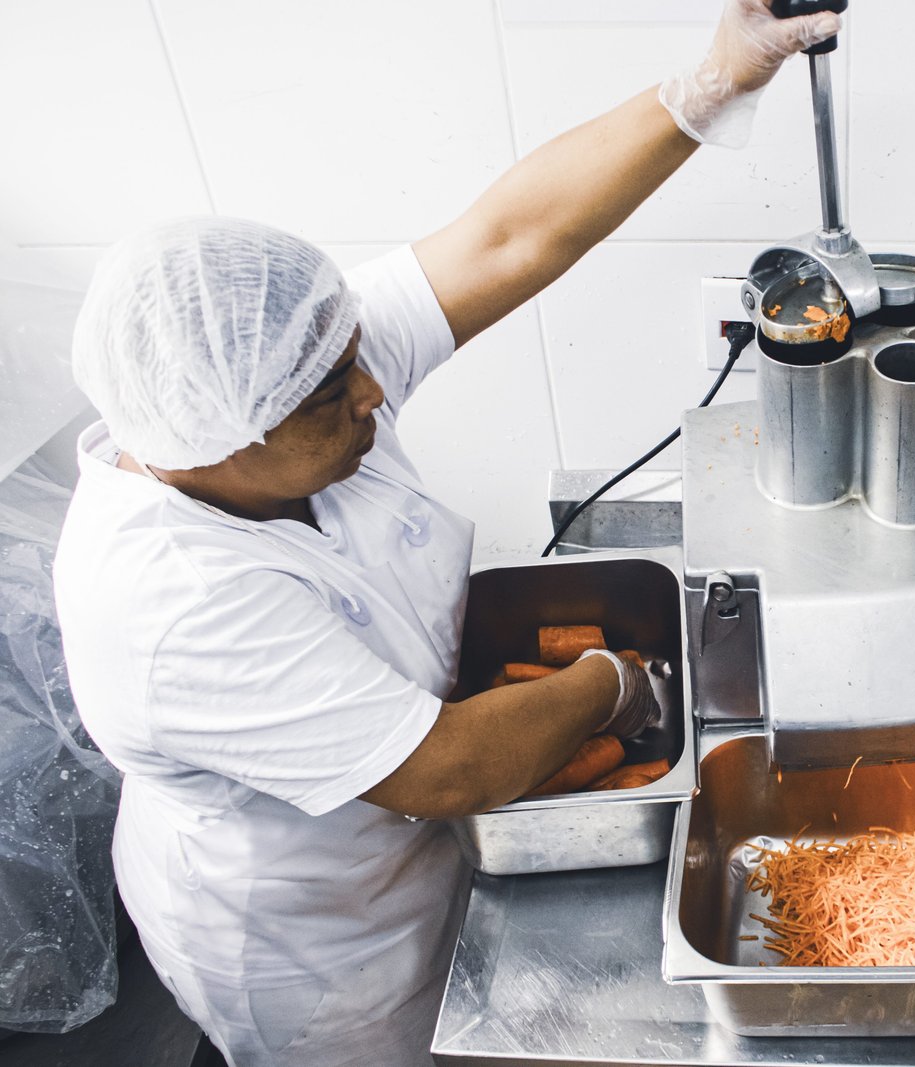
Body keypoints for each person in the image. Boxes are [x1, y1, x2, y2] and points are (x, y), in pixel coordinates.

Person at [50, 3, 842, 1065]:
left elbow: (510, 236)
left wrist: (715, 79)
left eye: (353, 357)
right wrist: (614, 682)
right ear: (222, 443)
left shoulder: (286, 362)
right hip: (319, 939)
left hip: (423, 845)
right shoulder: (173, 607)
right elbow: (446, 767)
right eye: (335, 395)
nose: (374, 390)